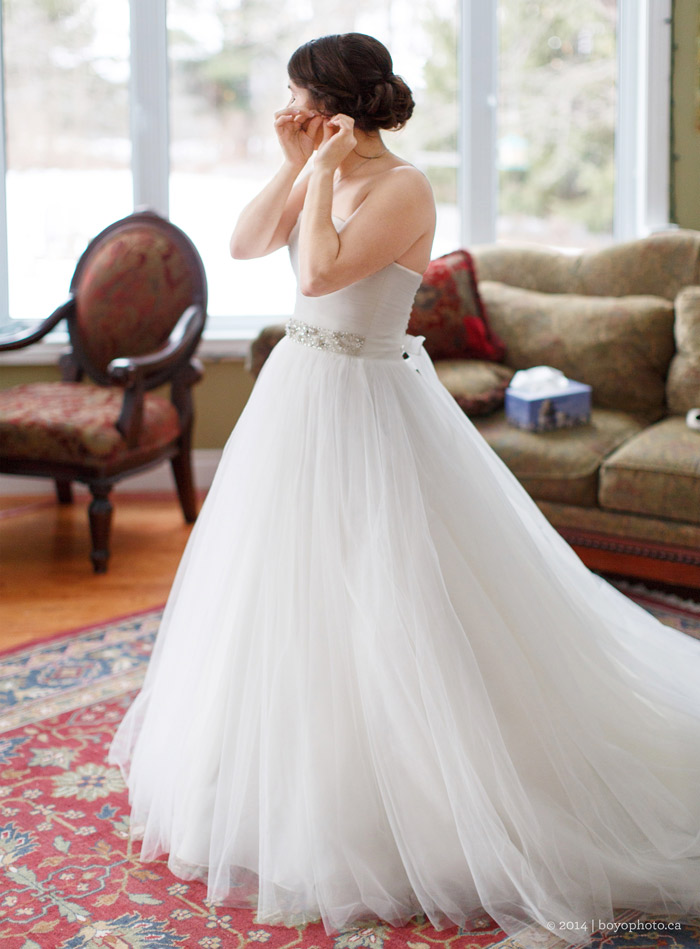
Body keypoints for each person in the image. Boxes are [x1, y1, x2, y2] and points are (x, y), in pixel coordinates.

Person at [109, 33, 700, 948]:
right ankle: (303, 779)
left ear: (340, 98)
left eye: (301, 93)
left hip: (368, 404)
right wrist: (296, 165)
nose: (291, 105)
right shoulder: (320, 165)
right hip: (298, 401)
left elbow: (316, 273)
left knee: (392, 592)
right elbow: (243, 242)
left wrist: (331, 169)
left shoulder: (403, 185)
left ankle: (427, 790)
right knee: (289, 592)